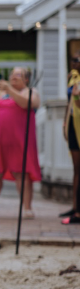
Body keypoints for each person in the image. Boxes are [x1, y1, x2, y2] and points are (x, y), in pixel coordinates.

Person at [0, 67, 41, 219]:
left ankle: (27, 208)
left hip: (19, 140)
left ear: (26, 79)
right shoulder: (0, 93)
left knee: (21, 172)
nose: (13, 78)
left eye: (18, 75)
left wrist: (10, 90)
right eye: (12, 75)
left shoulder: (30, 91)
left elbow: (26, 104)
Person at [62, 57, 80, 222]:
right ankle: (75, 206)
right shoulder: (73, 78)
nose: (74, 62)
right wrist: (65, 122)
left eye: (77, 59)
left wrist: (76, 97)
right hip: (73, 125)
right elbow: (70, 103)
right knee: (76, 168)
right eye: (73, 59)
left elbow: (78, 103)